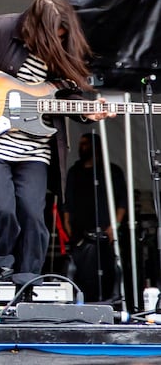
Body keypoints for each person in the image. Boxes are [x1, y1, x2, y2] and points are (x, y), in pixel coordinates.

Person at [0, 0, 110, 311]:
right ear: (36, 25)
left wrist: (88, 111)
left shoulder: (64, 48)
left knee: (34, 215)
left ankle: (27, 283)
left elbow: (66, 98)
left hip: (35, 149)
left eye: (64, 34)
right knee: (2, 209)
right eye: (54, 34)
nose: (59, 39)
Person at [61, 130, 127, 303]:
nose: (82, 148)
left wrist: (115, 225)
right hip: (80, 233)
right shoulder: (74, 172)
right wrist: (68, 225)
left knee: (108, 268)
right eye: (81, 144)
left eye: (86, 144)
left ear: (96, 147)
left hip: (107, 231)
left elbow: (122, 201)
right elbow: (67, 202)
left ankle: (111, 300)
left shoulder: (112, 171)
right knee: (82, 271)